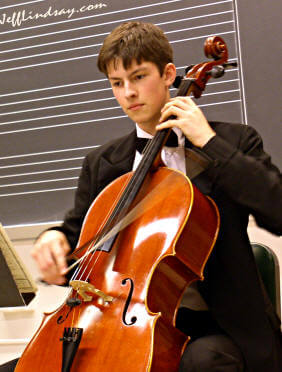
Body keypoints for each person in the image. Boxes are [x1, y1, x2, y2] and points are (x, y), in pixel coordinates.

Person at [1, 21, 281, 372]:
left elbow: (277, 212)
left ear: (167, 74)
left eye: (138, 77)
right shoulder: (103, 163)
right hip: (116, 321)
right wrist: (54, 240)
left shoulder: (235, 142)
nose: (128, 93)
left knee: (204, 363)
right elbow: (77, 236)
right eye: (117, 84)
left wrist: (209, 143)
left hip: (214, 327)